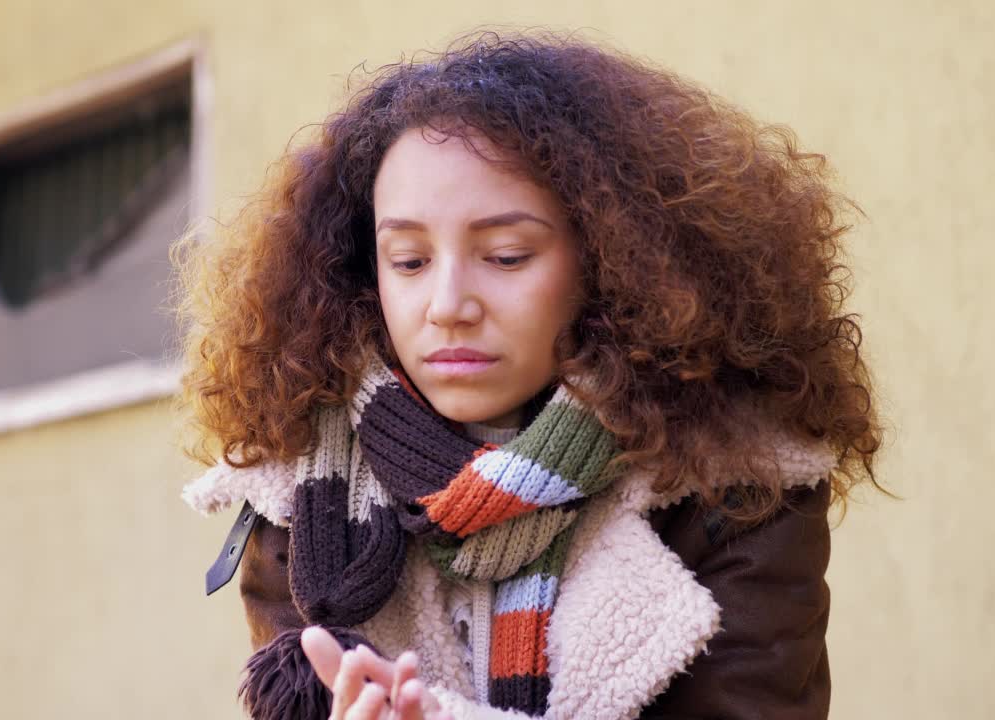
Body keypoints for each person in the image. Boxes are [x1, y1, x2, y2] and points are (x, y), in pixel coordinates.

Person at [178, 28, 883, 720]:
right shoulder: (300, 492)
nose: (448, 306)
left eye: (508, 255)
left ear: (613, 264)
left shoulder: (737, 482)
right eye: (410, 261)